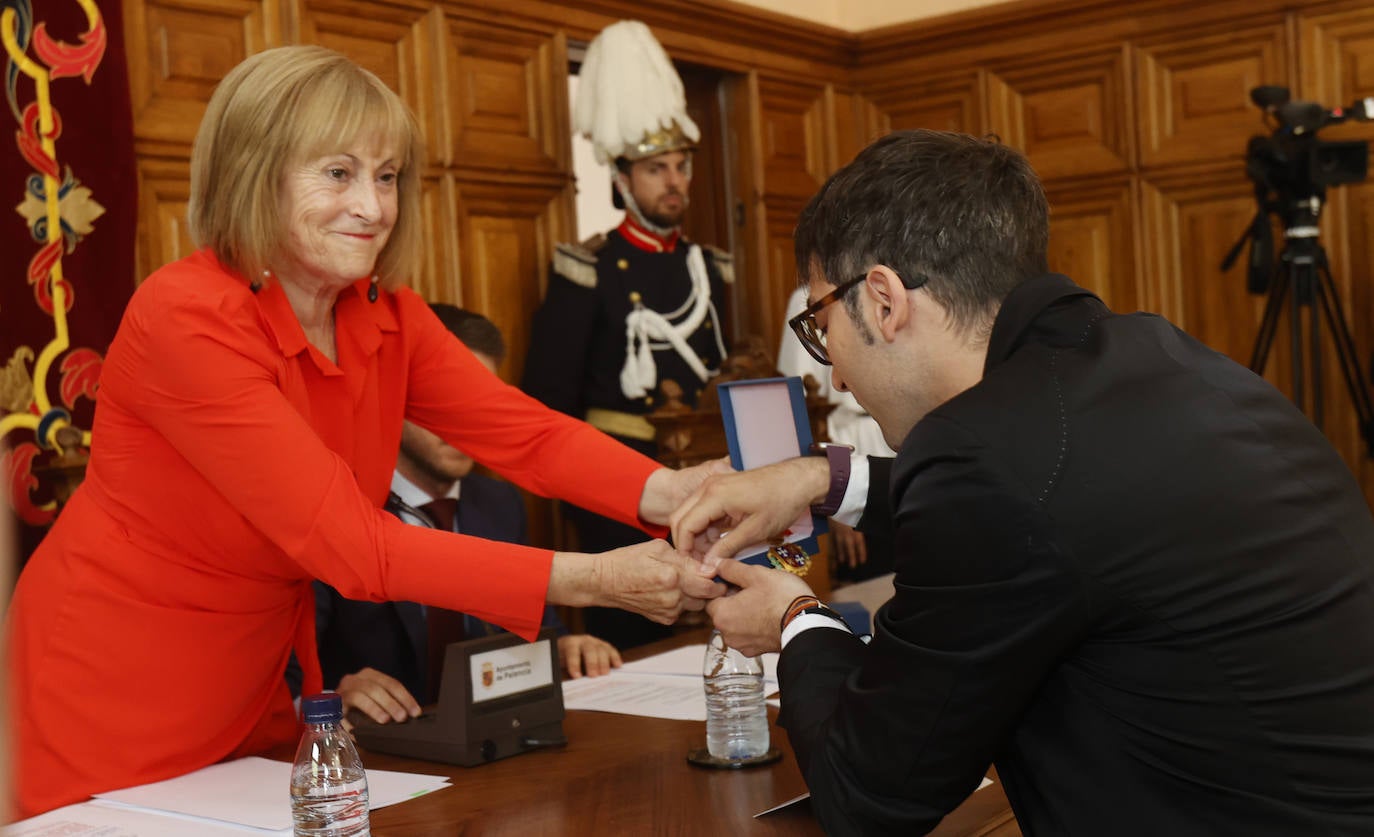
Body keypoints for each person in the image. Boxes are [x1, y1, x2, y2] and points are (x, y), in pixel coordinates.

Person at [4, 45, 727, 818]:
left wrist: (674, 490)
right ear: (255, 171)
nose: (374, 206)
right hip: (109, 686)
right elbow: (353, 545)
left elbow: (528, 434)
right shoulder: (187, 316)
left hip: (255, 690)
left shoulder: (386, 312)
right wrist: (596, 578)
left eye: (386, 176)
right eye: (339, 173)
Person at [672, 130, 1374, 834]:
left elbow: (869, 793)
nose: (836, 376)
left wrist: (796, 620)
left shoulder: (986, 457)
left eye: (823, 325)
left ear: (883, 301)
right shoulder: (1151, 357)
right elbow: (1050, 513)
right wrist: (818, 478)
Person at [522, 20, 732, 649]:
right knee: (642, 640)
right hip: (621, 492)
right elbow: (548, 400)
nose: (675, 182)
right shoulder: (586, 270)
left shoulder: (708, 267)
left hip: (702, 477)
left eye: (681, 167)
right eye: (656, 170)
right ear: (623, 179)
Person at [314, 305, 621, 728]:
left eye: (480, 405)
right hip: (378, 759)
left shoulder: (499, 502)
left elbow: (536, 624)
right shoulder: (334, 505)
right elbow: (290, 675)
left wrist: (568, 648)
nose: (465, 423)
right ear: (390, 396)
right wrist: (333, 695)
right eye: (445, 401)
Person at [776, 286, 895, 581]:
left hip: (905, 445)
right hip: (849, 441)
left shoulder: (896, 279)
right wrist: (837, 498)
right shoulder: (808, 296)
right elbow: (803, 406)